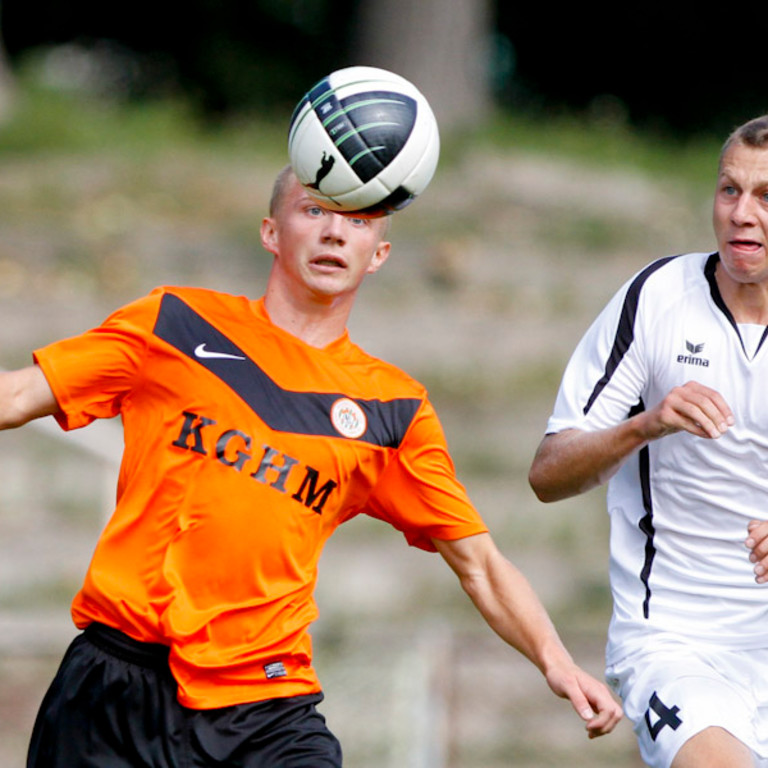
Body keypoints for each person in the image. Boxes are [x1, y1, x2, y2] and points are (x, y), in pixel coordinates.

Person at [9, 165, 621, 767]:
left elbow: (481, 565)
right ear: (271, 232)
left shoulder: (392, 409)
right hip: (116, 689)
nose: (334, 232)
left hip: (266, 706)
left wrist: (556, 661)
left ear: (377, 254)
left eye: (356, 220)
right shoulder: (173, 323)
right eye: (315, 210)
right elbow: (16, 396)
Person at [528, 115, 768, 768]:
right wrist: (645, 424)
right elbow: (548, 474)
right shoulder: (658, 297)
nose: (743, 214)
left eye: (765, 196)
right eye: (729, 191)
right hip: (674, 644)